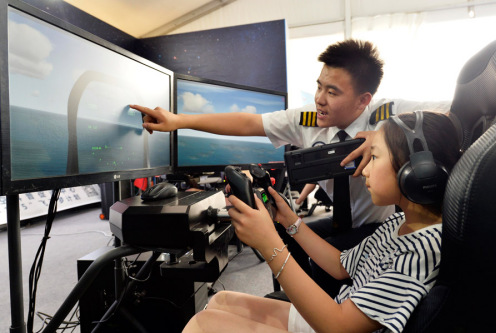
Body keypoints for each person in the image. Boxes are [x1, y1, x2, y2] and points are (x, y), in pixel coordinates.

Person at [130, 39, 450, 295]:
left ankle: (325, 301)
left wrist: (383, 135)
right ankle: (303, 293)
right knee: (283, 230)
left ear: (363, 100)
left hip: (375, 227)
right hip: (338, 221)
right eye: (319, 86)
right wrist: (178, 121)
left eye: (332, 91)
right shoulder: (309, 119)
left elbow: (453, 111)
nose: (319, 99)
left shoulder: (386, 113)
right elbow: (248, 122)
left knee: (322, 265)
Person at [182, 110, 461, 333]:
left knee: (202, 325)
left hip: (336, 323)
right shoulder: (400, 224)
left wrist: (269, 245)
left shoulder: (420, 252)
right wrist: (289, 220)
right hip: (339, 312)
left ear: (418, 173)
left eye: (373, 157)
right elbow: (342, 266)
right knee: (220, 300)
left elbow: (339, 326)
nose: (363, 168)